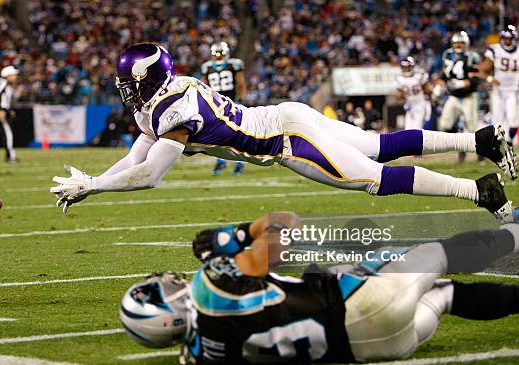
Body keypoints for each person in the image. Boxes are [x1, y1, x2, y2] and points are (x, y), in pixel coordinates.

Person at [50, 43, 517, 223]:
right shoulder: (165, 98)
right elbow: (133, 160)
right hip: (284, 114)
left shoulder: (174, 110)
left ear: (149, 80)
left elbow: (149, 174)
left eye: (131, 83)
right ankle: (478, 141)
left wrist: (92, 186)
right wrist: (92, 182)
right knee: (378, 145)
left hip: (287, 141)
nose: (126, 91)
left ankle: (481, 192)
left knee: (373, 176)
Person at [120, 212, 519, 364]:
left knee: (445, 296)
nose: (168, 281)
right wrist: (237, 234)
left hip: (369, 350)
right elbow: (283, 231)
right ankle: (514, 234)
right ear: (168, 304)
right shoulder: (211, 286)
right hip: (359, 300)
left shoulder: (197, 359)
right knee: (442, 252)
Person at [433, 31, 481, 162]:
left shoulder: (472, 56)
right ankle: (460, 146)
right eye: (456, 43)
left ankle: (481, 152)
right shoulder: (448, 54)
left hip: (468, 96)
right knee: (444, 125)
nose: (458, 45)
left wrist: (462, 83)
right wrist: (438, 88)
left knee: (472, 127)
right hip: (453, 96)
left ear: (466, 44)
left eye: (461, 43)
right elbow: (444, 74)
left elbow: (476, 80)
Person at [201, 42, 247, 176]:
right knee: (234, 134)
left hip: (217, 105)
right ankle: (235, 162)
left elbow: (204, 87)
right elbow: (241, 84)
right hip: (231, 103)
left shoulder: (207, 67)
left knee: (219, 134)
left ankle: (231, 161)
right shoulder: (234, 64)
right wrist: (240, 100)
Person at [479, 25, 519, 144]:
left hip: (513, 90)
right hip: (498, 90)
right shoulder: (494, 49)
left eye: (509, 39)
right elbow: (484, 69)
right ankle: (500, 146)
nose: (507, 41)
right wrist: (490, 78)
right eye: (505, 38)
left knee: (513, 121)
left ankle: (510, 141)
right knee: (498, 120)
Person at [396, 57, 432, 130]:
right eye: (404, 67)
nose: (405, 69)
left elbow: (427, 90)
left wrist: (429, 99)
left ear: (412, 66)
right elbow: (399, 95)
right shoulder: (400, 78)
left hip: (420, 103)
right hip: (410, 105)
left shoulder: (419, 75)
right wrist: (401, 99)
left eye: (407, 67)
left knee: (417, 128)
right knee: (407, 129)